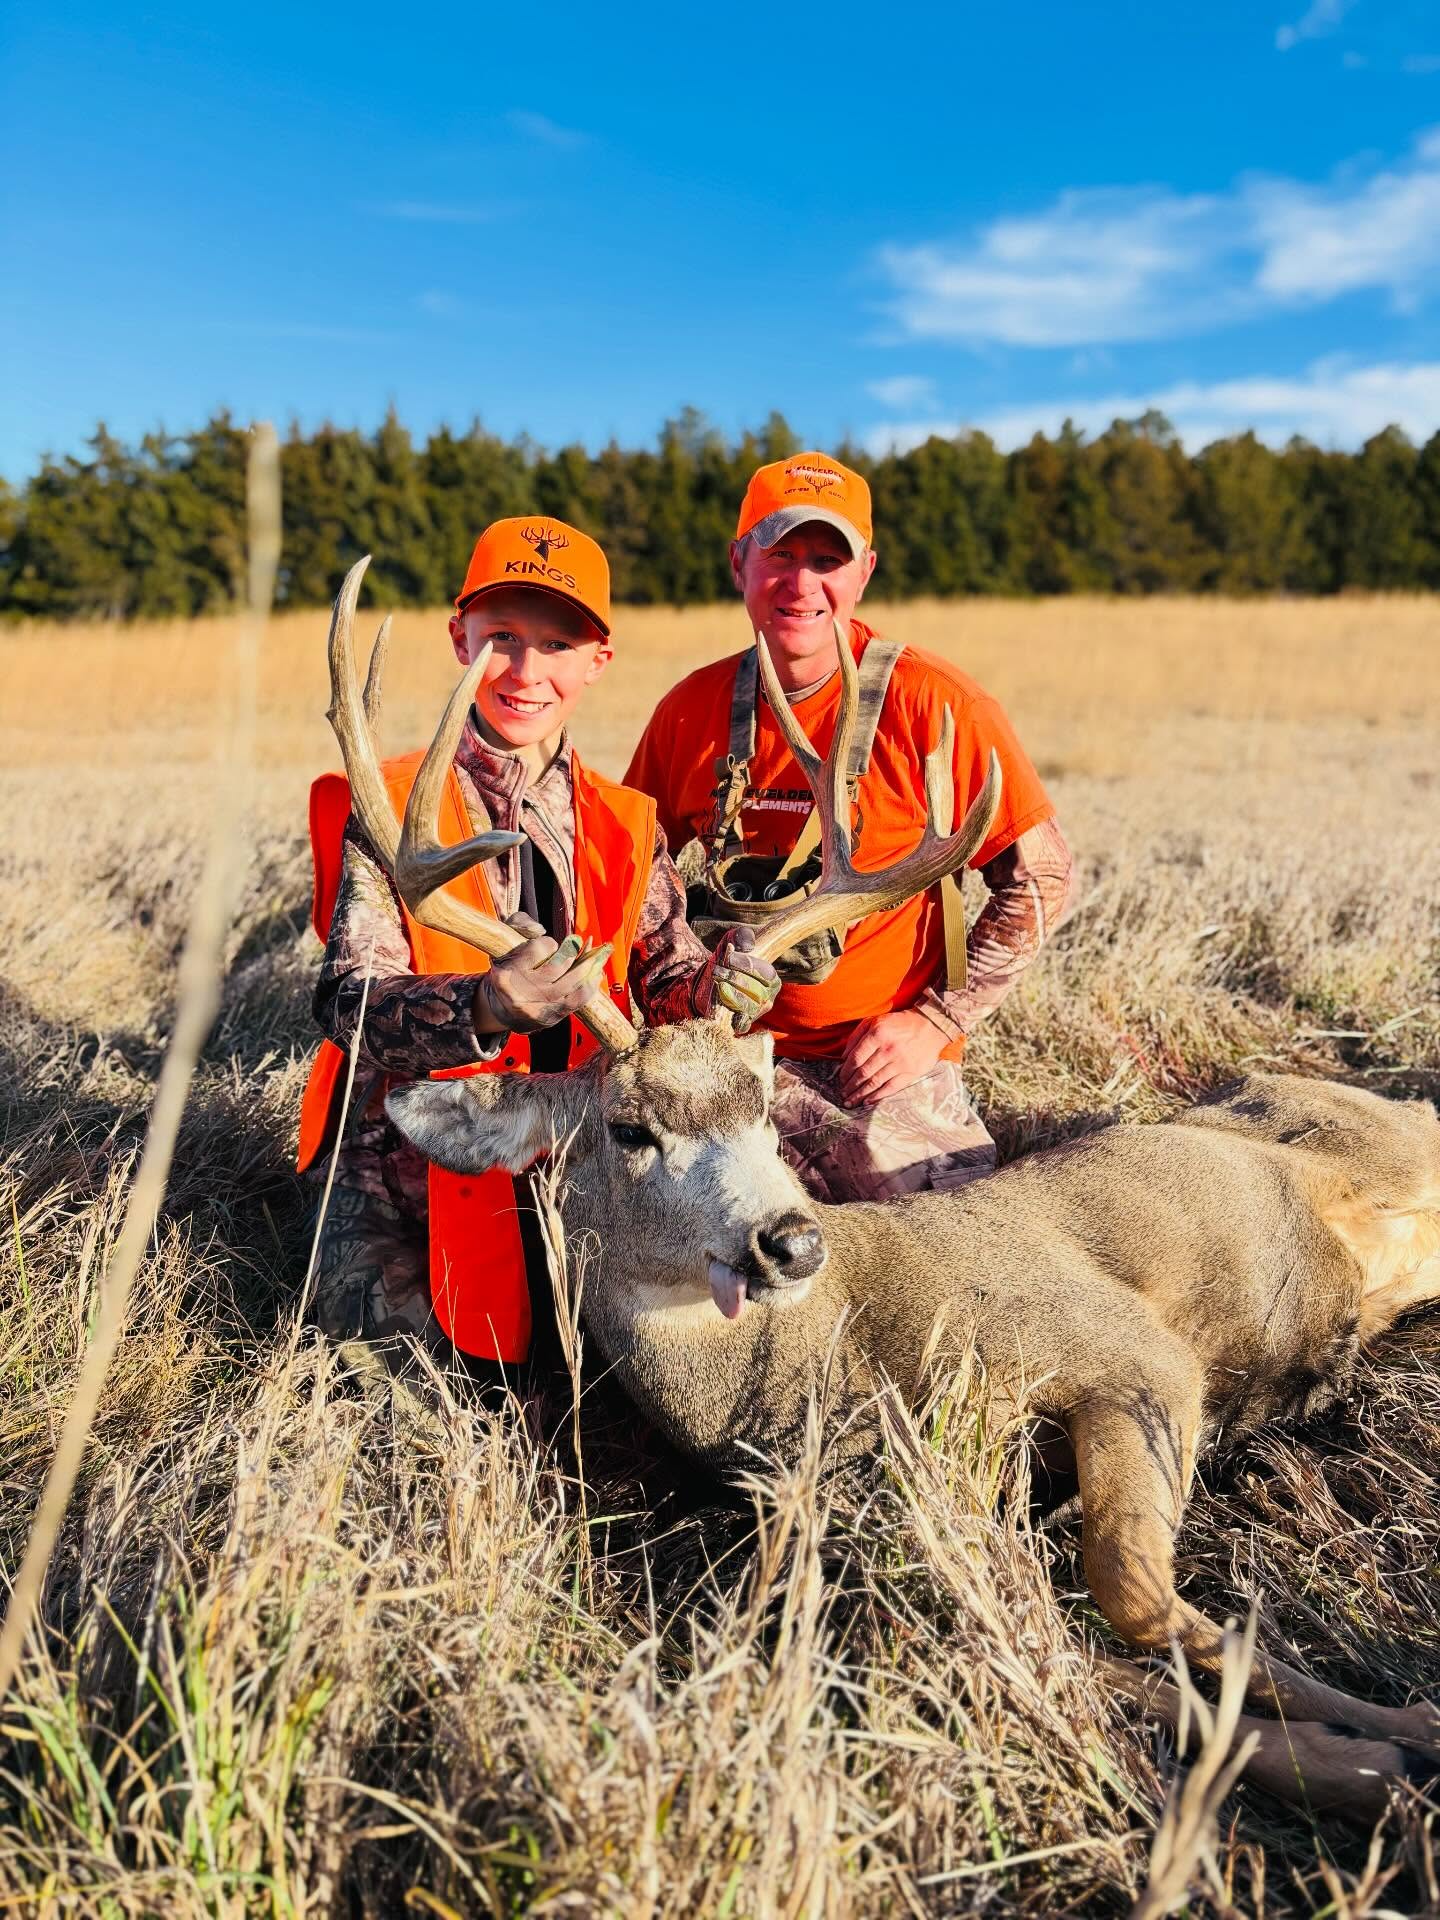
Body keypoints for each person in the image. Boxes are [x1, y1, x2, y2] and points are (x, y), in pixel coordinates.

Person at [297, 516, 777, 1363]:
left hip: (591, 1147)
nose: (526, 672)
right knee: (411, 1389)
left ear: (597, 662)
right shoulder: (394, 808)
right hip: (405, 1157)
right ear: (460, 639)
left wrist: (717, 986)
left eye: (557, 645)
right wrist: (484, 1004)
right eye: (502, 639)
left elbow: (666, 976)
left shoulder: (627, 822)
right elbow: (348, 1001)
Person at [624, 453, 1074, 1203]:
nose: (802, 585)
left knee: (944, 1249)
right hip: (726, 1055)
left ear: (865, 570)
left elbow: (1042, 876)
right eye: (780, 556)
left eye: (827, 560)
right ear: (740, 563)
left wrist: (932, 1023)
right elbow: (629, 875)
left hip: (880, 1063)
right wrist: (686, 991)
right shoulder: (689, 710)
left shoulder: (936, 705)